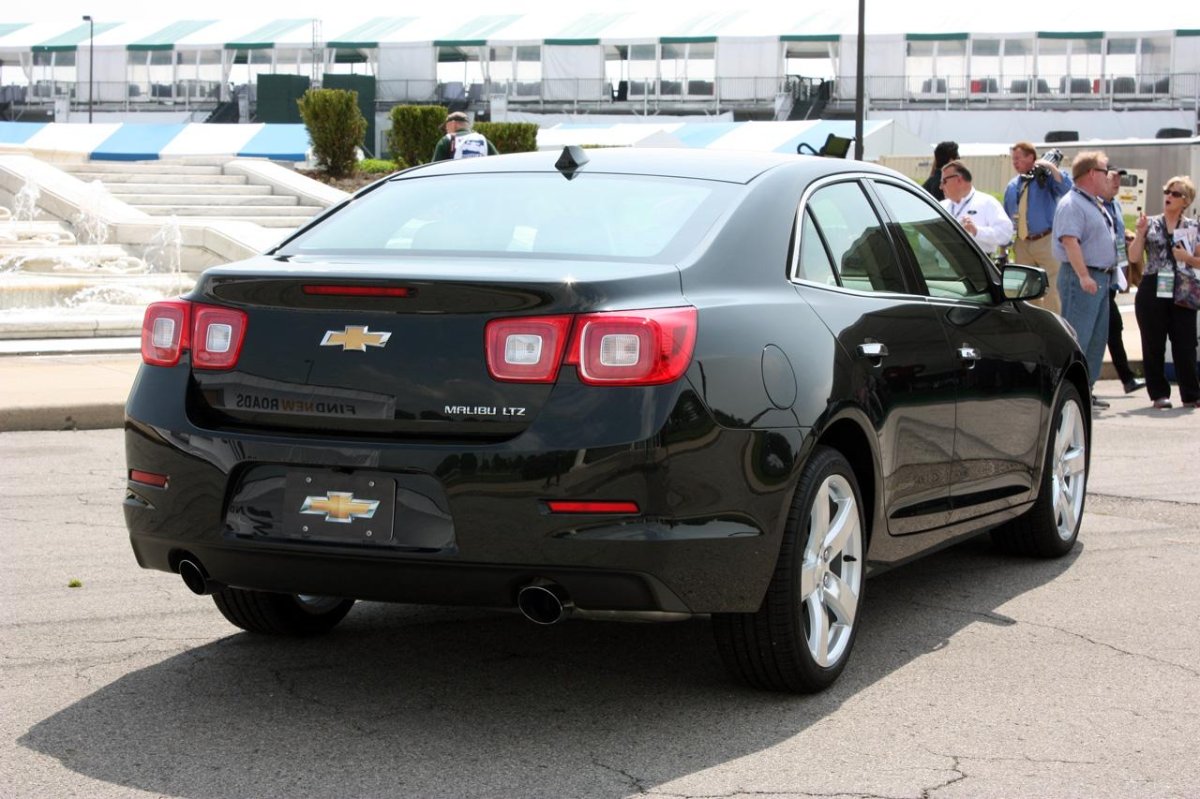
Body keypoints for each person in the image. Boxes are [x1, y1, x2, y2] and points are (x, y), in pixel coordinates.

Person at [1051, 151, 1119, 410]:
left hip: (1099, 277)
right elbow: (1070, 241)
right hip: (1083, 277)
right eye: (1105, 170)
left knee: (1096, 338)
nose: (1109, 176)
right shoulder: (1072, 203)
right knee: (1079, 336)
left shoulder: (1093, 202)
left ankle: (1085, 391)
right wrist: (1083, 276)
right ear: (1091, 173)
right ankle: (1071, 395)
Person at [1127, 176, 1200, 410]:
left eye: (1175, 193)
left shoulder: (1192, 227)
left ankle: (1191, 394)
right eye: (1167, 191)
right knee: (1153, 342)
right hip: (1153, 286)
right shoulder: (1151, 223)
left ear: (1186, 201)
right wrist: (1139, 234)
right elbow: (1134, 257)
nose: (1168, 196)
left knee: (1185, 343)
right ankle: (1159, 394)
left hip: (1183, 288)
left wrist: (1187, 258)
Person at [1004, 141, 1072, 313]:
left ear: (1031, 158)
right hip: (1022, 241)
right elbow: (1007, 216)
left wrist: (1051, 167)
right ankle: (1035, 325)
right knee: (1027, 289)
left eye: (1018, 158)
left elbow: (1067, 190)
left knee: (1053, 289)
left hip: (1045, 239)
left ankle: (1057, 325)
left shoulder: (1046, 178)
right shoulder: (1013, 185)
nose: (1015, 162)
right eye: (1013, 159)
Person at [1099, 167, 1146, 394]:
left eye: (1119, 179)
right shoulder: (1095, 205)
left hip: (1113, 276)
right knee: (1111, 327)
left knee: (1111, 328)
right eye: (1112, 179)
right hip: (1097, 278)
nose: (1117, 182)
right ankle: (1126, 377)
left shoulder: (1115, 205)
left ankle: (1127, 378)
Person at [939, 159, 1013, 256]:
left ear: (959, 180)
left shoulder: (987, 202)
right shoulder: (941, 206)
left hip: (979, 266)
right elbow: (924, 243)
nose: (940, 186)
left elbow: (1005, 234)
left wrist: (977, 231)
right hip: (945, 266)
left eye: (944, 181)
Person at [431, 111, 498, 162]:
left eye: (446, 127)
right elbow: (498, 162)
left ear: (453, 124)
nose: (446, 130)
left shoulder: (447, 141)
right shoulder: (483, 140)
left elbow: (434, 170)